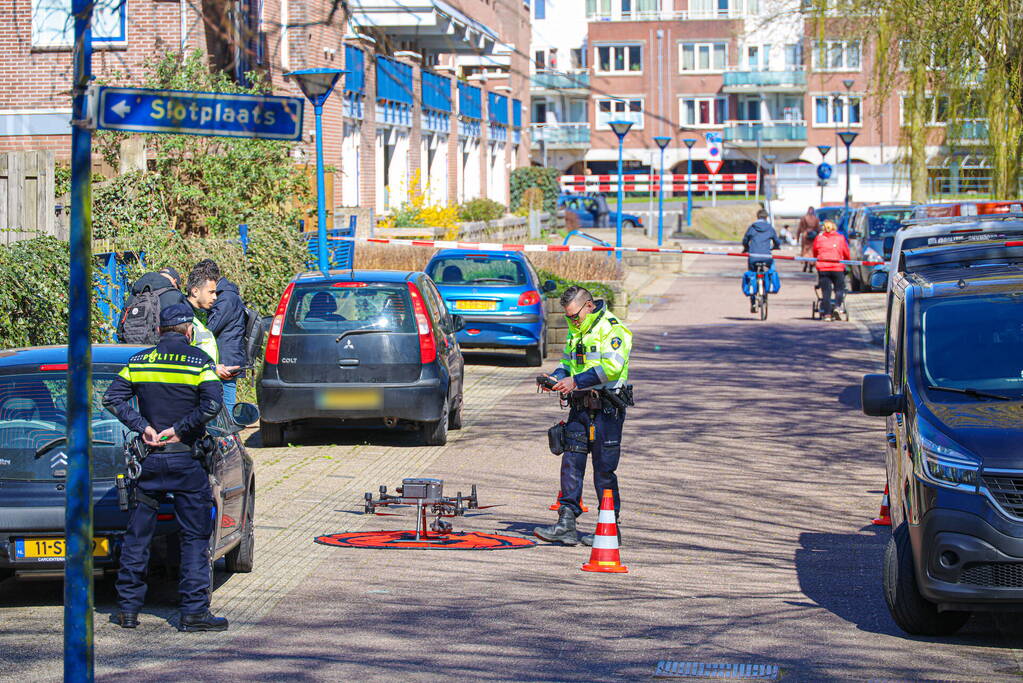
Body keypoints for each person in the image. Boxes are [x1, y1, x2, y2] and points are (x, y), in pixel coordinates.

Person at [101, 302, 228, 632]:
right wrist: (181, 429)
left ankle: (128, 610)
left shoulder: (139, 361)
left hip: (149, 460)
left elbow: (111, 398)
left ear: (158, 330)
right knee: (194, 537)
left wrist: (142, 426)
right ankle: (194, 613)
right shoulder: (200, 362)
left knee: (137, 536)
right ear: (189, 331)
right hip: (186, 461)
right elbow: (212, 405)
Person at [534, 286, 632, 547]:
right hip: (579, 407)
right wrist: (555, 378)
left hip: (606, 409)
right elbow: (568, 363)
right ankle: (566, 523)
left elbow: (612, 367)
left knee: (604, 470)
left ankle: (609, 528)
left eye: (574, 316)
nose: (572, 321)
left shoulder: (612, 329)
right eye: (568, 317)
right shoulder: (576, 329)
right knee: (571, 463)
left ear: (589, 306)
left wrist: (575, 381)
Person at [185, 261, 239, 383]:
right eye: (211, 292)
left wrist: (215, 369)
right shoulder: (183, 319)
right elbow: (181, 358)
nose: (215, 297)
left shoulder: (202, 316)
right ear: (195, 291)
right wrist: (213, 368)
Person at [207, 273, 248, 417]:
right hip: (230, 355)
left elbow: (211, 327)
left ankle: (229, 430)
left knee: (227, 408)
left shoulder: (226, 298)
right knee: (223, 405)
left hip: (227, 359)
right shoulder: (228, 294)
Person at [741, 209, 780, 313]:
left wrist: (746, 247)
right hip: (766, 257)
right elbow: (777, 241)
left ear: (757, 216)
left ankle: (753, 300)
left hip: (753, 256)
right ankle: (770, 281)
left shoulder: (752, 227)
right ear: (766, 217)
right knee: (772, 265)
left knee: (752, 273)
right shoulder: (770, 228)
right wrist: (776, 246)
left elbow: (745, 240)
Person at [813, 219, 850, 321]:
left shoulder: (819, 238)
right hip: (837, 267)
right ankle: (837, 307)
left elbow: (815, 252)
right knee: (839, 289)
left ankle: (827, 314)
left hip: (823, 267)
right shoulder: (840, 238)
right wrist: (847, 261)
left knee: (826, 291)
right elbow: (846, 252)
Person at [797, 207, 820, 272]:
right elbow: (818, 229)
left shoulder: (804, 218)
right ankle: (810, 267)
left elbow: (799, 228)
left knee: (805, 251)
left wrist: (798, 238)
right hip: (813, 236)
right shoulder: (816, 219)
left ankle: (805, 265)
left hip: (805, 236)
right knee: (812, 252)